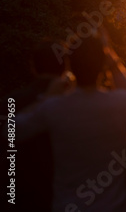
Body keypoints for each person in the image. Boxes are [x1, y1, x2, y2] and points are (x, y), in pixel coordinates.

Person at [13, 31, 126, 211]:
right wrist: (111, 59)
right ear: (102, 64)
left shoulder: (54, 106)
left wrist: (47, 97)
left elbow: (12, 131)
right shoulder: (121, 103)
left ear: (69, 66)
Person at [1, 40, 72, 212]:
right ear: (65, 68)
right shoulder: (75, 104)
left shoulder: (12, 101)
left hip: (19, 195)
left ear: (33, 66)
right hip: (64, 197)